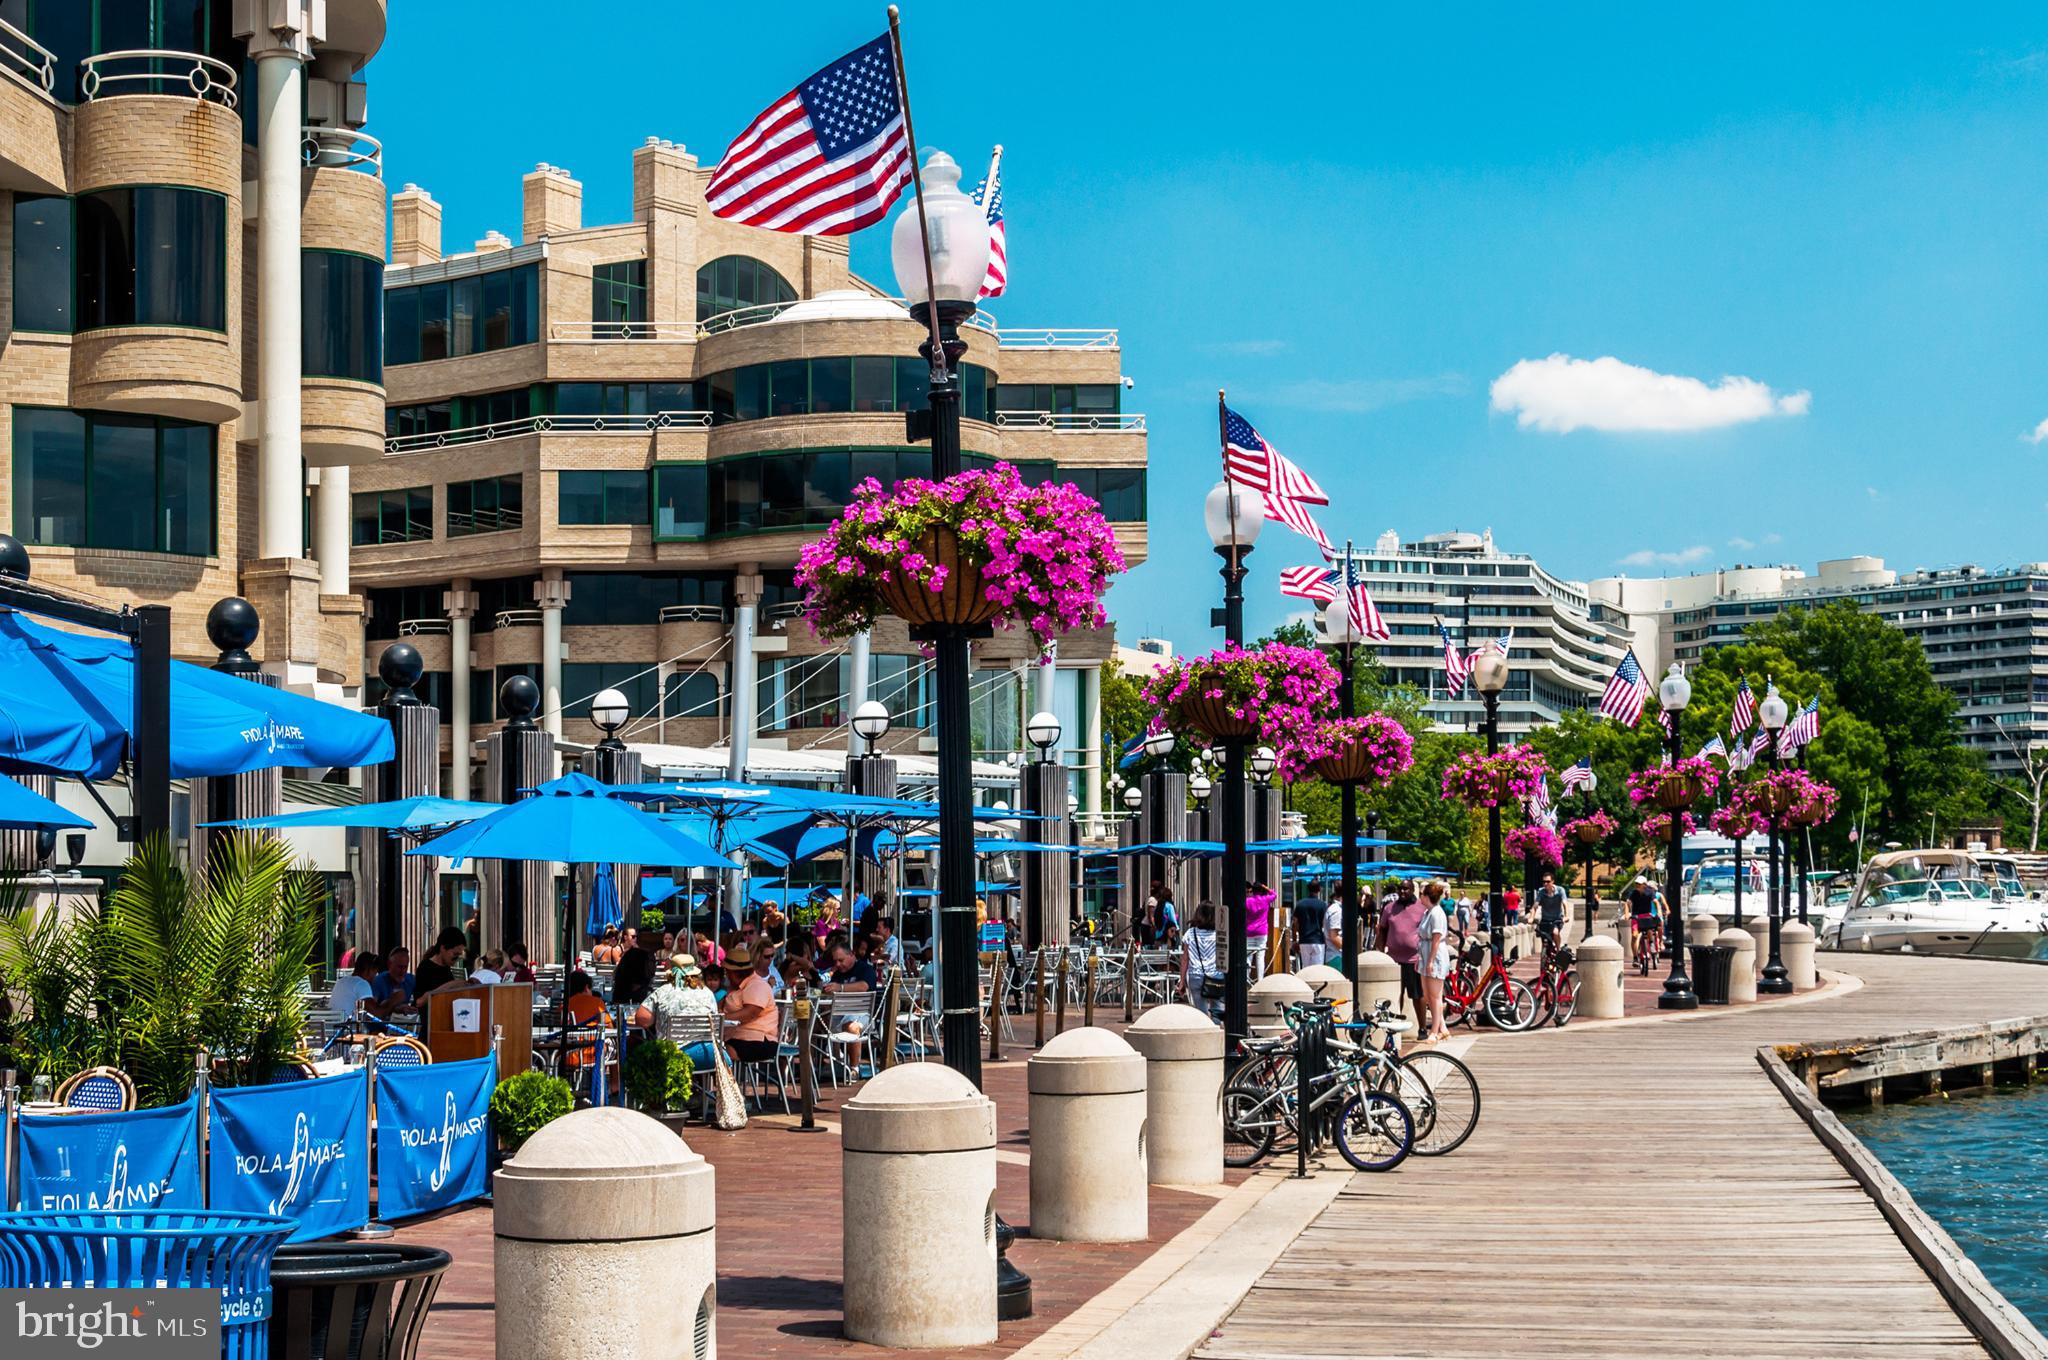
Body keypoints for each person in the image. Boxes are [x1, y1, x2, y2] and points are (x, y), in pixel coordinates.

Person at [634, 954, 718, 1074]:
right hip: (710, 1053)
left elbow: (642, 1020)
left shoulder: (663, 991)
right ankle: (701, 1091)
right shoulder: (708, 993)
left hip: (675, 1055)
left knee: (642, 1054)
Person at [719, 946, 781, 1071]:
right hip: (738, 1037)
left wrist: (721, 1018)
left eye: (727, 972)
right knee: (711, 1048)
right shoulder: (736, 987)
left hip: (759, 1040)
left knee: (718, 1052)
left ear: (734, 972)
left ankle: (726, 1086)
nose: (726, 976)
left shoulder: (756, 985)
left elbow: (750, 1012)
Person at [1375, 887, 1427, 1023]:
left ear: (1412, 890)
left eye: (1406, 889)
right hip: (1394, 960)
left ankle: (1422, 1027)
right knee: (1396, 995)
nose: (1403, 892)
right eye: (1401, 889)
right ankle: (1395, 1026)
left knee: (1417, 995)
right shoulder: (1389, 908)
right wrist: (1381, 954)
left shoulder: (1422, 908)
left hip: (1414, 960)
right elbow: (1382, 930)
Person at [1418, 880, 1452, 1040]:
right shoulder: (1427, 913)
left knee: (1435, 995)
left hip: (1435, 954)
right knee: (1427, 994)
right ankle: (1442, 1027)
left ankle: (1435, 1030)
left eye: (1422, 894)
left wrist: (1430, 961)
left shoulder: (1437, 913)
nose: (1420, 897)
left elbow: (1436, 939)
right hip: (1425, 953)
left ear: (1427, 896)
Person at [1181, 902, 1224, 1020]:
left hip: (1196, 974)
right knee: (1217, 1008)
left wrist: (1182, 982)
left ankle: (1205, 1030)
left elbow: (1185, 959)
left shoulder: (1190, 933)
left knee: (1201, 1011)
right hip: (1215, 975)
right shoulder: (1219, 934)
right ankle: (1217, 1032)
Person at [562, 970, 608, 1069]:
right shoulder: (597, 1003)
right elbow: (609, 1027)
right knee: (617, 1045)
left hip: (565, 1055)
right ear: (586, 987)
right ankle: (615, 1083)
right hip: (592, 1053)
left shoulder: (563, 1006)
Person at [329, 953, 386, 1023]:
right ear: (368, 970)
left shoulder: (341, 981)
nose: (376, 976)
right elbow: (377, 1014)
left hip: (333, 1029)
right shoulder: (362, 984)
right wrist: (393, 1001)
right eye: (375, 972)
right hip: (349, 1030)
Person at [412, 928, 467, 998]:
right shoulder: (425, 968)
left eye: (459, 955)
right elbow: (419, 1001)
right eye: (455, 954)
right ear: (443, 948)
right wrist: (451, 985)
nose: (457, 959)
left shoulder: (445, 967)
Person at [1625, 875, 1662, 965]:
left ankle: (1651, 944)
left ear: (1644, 885)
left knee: (1650, 929)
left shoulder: (1650, 892)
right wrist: (1627, 913)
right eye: (1636, 884)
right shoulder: (1633, 893)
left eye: (1639, 884)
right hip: (1636, 916)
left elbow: (1656, 902)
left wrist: (1659, 911)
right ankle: (1635, 958)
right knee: (1634, 936)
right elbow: (1627, 903)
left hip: (1646, 915)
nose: (1637, 885)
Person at [1244, 880, 1275, 982]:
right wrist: (1265, 887)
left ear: (1252, 890)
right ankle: (1260, 980)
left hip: (1248, 932)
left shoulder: (1247, 901)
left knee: (1248, 956)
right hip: (1262, 932)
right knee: (1260, 956)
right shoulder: (1265, 900)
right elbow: (1274, 894)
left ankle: (1246, 979)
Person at [613, 937, 657, 1007]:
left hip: (623, 991)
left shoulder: (629, 954)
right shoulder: (648, 956)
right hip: (637, 991)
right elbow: (650, 973)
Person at [1294, 888, 1328, 969]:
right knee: (1318, 969)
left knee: (1306, 968)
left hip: (1304, 940)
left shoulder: (1300, 904)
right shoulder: (1323, 905)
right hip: (1318, 940)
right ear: (1319, 890)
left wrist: (1295, 939)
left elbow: (1295, 923)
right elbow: (1325, 923)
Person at [1534, 872, 1568, 948]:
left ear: (1553, 881)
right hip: (1545, 919)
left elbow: (1565, 903)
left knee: (1555, 933)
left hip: (1557, 919)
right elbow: (1535, 905)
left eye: (1548, 882)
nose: (1545, 884)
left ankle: (1558, 950)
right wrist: (1531, 917)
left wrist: (1566, 916)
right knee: (1544, 939)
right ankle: (1544, 957)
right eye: (1544, 882)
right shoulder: (1541, 891)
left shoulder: (1560, 890)